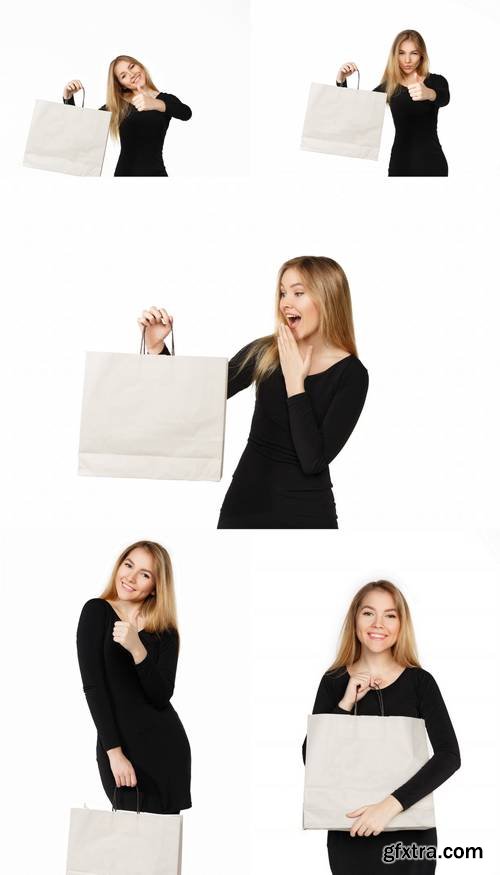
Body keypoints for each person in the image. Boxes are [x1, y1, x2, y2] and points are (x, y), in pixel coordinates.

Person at [139, 255, 369, 529]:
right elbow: (198, 395)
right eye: (283, 292)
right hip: (244, 506)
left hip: (306, 515)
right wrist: (156, 348)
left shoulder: (352, 374)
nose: (286, 302)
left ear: (328, 298)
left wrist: (295, 384)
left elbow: (313, 460)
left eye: (298, 292)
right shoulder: (266, 351)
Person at [303, 580, 460, 874]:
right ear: (355, 619)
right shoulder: (334, 681)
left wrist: (388, 807)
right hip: (350, 832)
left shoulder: (420, 682)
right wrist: (346, 702)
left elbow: (449, 756)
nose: (378, 624)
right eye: (368, 613)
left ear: (401, 624)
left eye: (390, 615)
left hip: (409, 833)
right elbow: (311, 759)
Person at [76, 540, 191, 814]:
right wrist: (114, 754)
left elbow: (161, 695)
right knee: (130, 843)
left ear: (155, 586)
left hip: (166, 749)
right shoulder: (96, 612)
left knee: (161, 848)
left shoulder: (165, 631)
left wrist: (137, 648)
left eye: (145, 574)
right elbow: (94, 687)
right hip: (121, 749)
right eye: (128, 565)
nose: (130, 577)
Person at [337, 30, 449, 176]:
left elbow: (444, 98)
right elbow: (356, 110)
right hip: (400, 163)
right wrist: (341, 80)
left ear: (422, 55)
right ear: (395, 55)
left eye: (414, 53)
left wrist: (429, 93)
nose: (407, 60)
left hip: (432, 162)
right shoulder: (389, 86)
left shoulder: (436, 81)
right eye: (402, 53)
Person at [63, 55, 191, 176]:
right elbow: (79, 128)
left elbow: (186, 113)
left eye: (132, 67)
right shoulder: (117, 106)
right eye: (123, 76)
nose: (131, 74)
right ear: (121, 84)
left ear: (140, 66)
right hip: (124, 175)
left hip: (156, 174)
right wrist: (68, 98)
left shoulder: (165, 99)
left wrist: (156, 103)